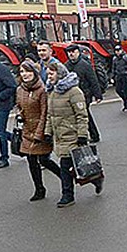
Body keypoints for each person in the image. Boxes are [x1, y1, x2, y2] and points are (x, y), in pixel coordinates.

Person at [44, 62, 101, 207]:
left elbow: (82, 115)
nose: (49, 77)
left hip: (72, 134)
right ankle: (95, 179)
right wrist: (47, 133)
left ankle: (67, 195)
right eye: (48, 74)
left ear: (60, 74)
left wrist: (82, 135)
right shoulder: (52, 91)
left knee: (65, 166)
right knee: (76, 167)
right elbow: (50, 115)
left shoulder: (74, 92)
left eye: (52, 74)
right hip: (59, 135)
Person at [15, 59, 61, 201]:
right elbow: (18, 105)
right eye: (22, 71)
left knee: (44, 160)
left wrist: (40, 133)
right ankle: (39, 189)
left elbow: (44, 113)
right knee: (31, 160)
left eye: (27, 71)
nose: (25, 74)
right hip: (27, 130)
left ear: (34, 73)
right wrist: (19, 114)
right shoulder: (20, 89)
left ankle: (66, 178)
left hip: (40, 129)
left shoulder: (42, 90)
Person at [64, 44, 102, 142]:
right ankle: (81, 136)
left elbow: (93, 80)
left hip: (84, 94)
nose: (71, 54)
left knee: (85, 115)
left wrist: (98, 95)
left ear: (78, 52)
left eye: (73, 52)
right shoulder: (66, 65)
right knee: (78, 116)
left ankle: (94, 135)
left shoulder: (84, 65)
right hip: (72, 95)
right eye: (69, 52)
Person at [111, 45, 127, 110]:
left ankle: (126, 105)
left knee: (126, 91)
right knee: (118, 90)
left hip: (125, 76)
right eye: (116, 51)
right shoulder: (114, 59)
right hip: (118, 76)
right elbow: (113, 68)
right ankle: (125, 100)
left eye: (118, 51)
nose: (117, 52)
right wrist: (112, 77)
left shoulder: (126, 57)